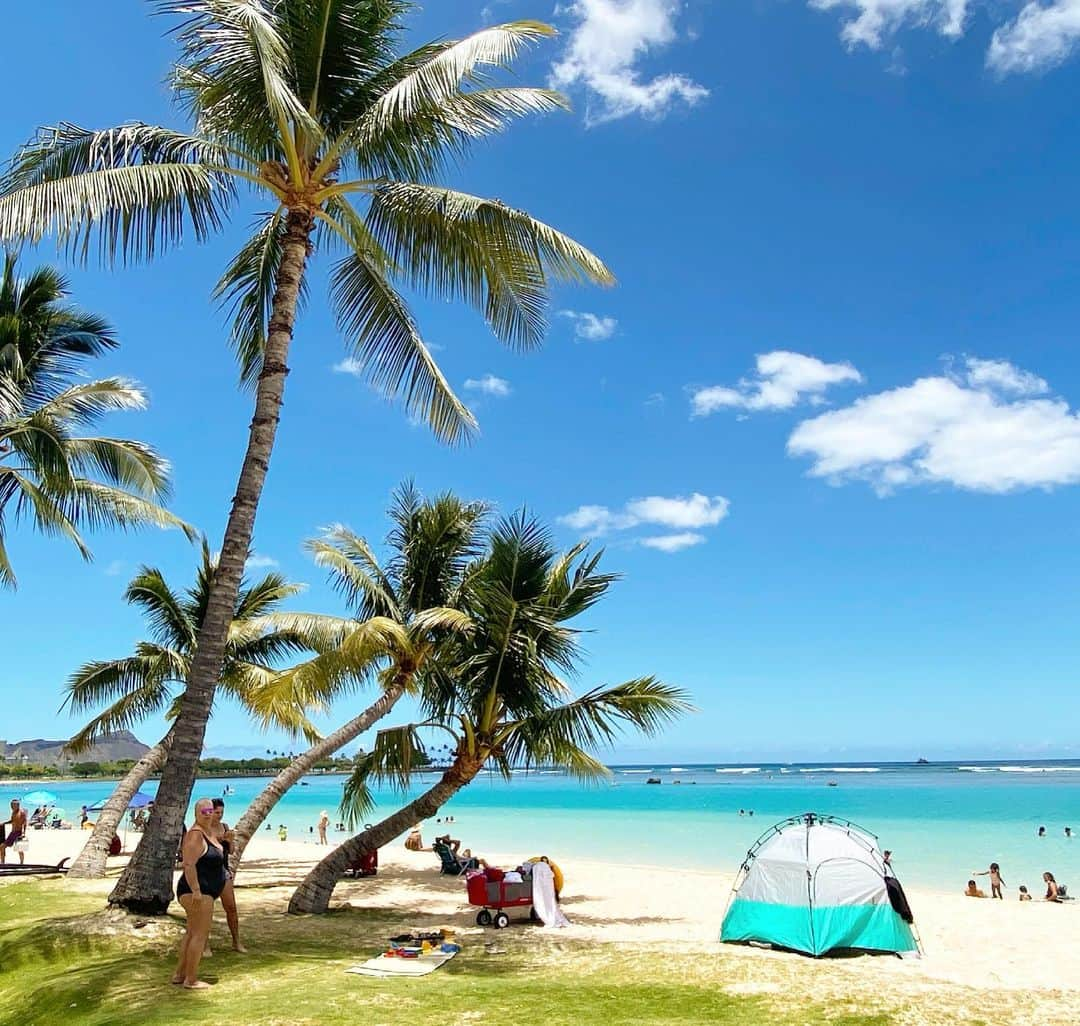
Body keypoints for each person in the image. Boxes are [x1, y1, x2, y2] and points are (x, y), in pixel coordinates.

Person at [172, 799, 227, 989]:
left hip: (205, 890)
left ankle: (180, 974)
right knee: (200, 936)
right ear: (196, 813)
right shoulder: (195, 835)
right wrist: (196, 890)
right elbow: (188, 864)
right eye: (203, 811)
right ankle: (191, 979)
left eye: (210, 810)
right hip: (196, 891)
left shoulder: (209, 833)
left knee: (192, 933)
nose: (207, 813)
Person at [209, 798, 245, 954]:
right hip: (206, 872)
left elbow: (231, 852)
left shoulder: (225, 827)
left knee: (231, 908)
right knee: (206, 911)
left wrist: (230, 841)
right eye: (217, 812)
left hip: (223, 871)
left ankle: (236, 941)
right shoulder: (202, 828)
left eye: (222, 812)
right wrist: (216, 840)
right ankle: (204, 944)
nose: (220, 815)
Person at [1, 799, 28, 865]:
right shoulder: (13, 812)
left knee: (20, 850)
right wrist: (4, 823)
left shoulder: (22, 812)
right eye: (11, 805)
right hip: (12, 833)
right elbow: (12, 821)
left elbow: (25, 822)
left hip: (18, 833)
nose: (12, 807)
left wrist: (24, 832)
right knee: (2, 846)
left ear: (17, 805)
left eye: (13, 805)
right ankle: (2, 863)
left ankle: (21, 864)